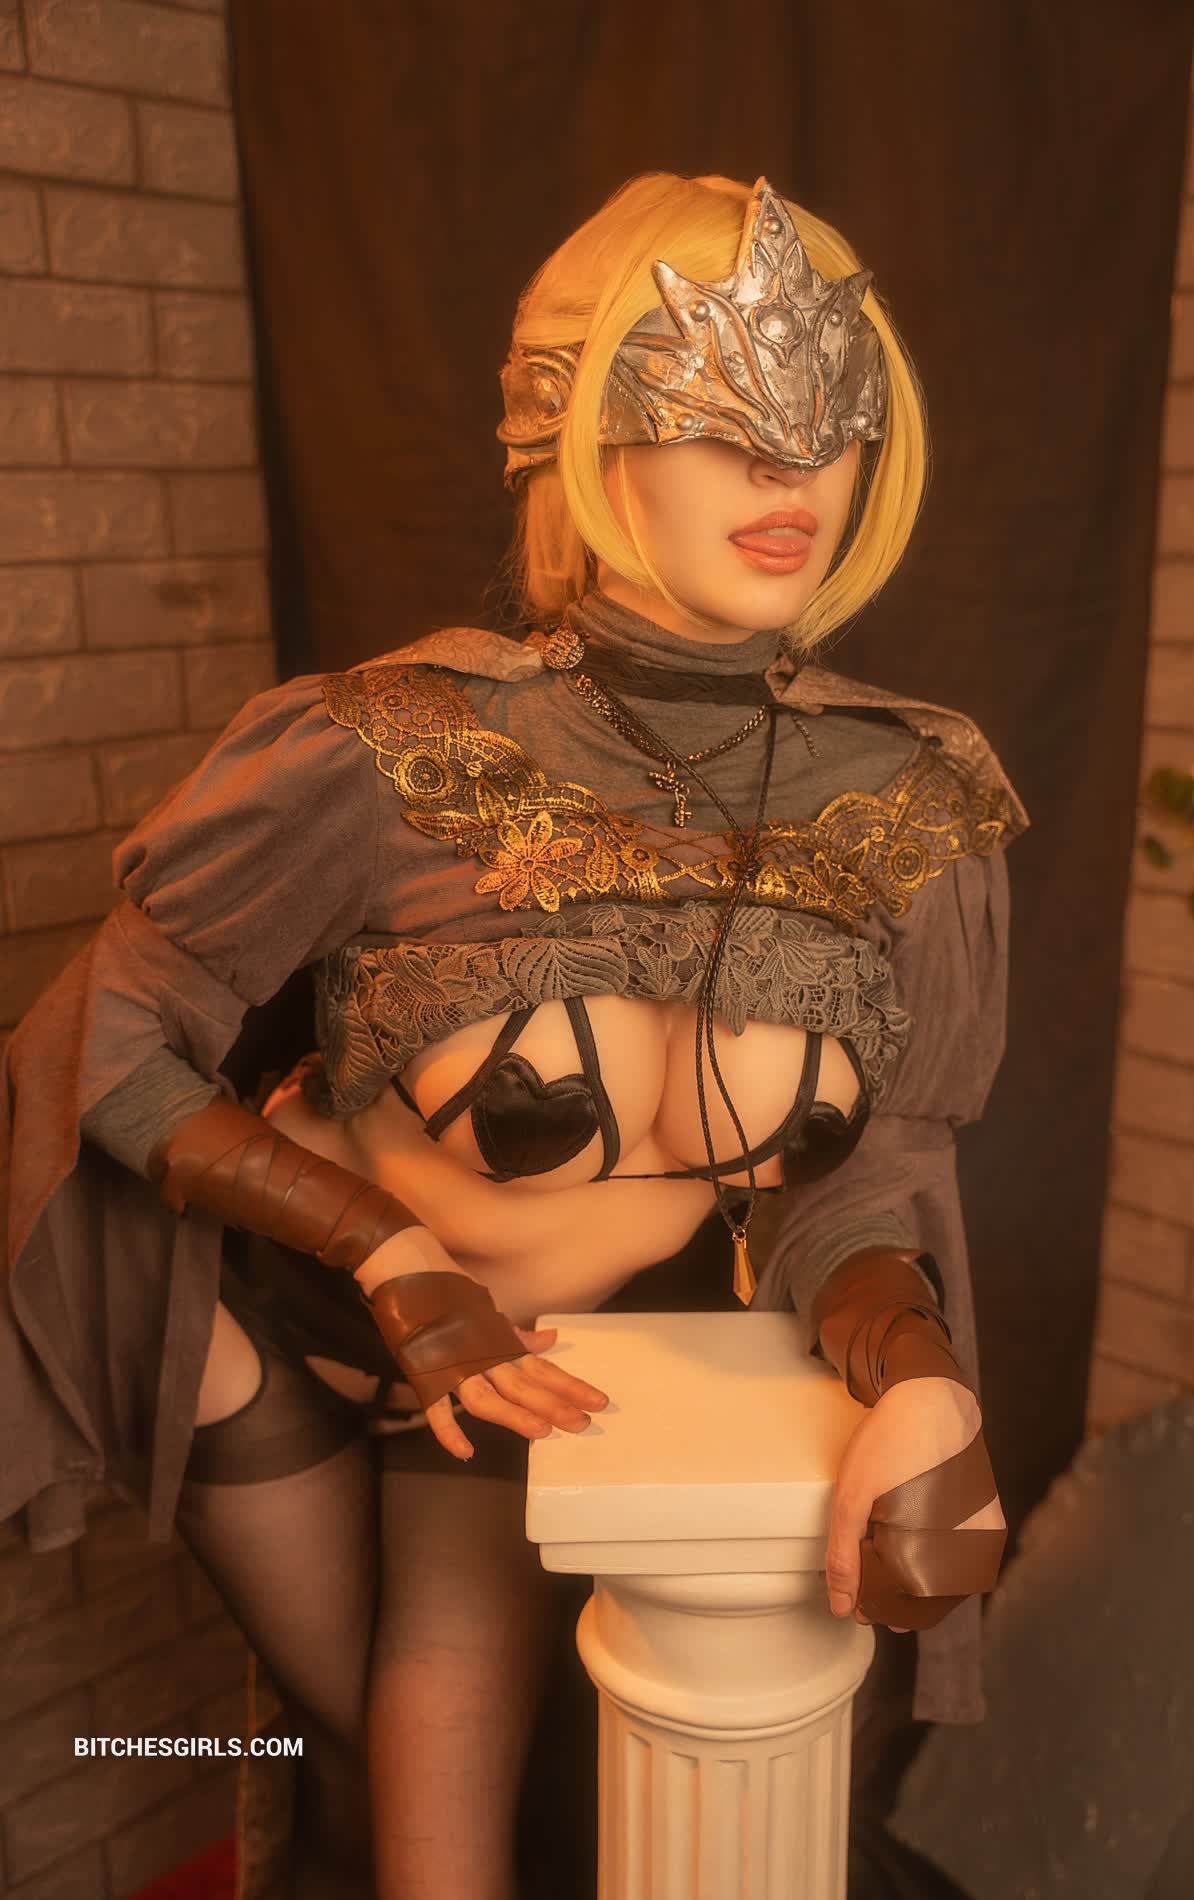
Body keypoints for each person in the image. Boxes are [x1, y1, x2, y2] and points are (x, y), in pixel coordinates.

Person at [0, 173, 1024, 1899]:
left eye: (833, 412)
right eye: (721, 411)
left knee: (428, 1771)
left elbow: (872, 1174)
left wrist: (918, 1370)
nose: (794, 470)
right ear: (582, 429)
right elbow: (99, 1038)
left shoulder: (912, 800)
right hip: (289, 1311)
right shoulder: (392, 744)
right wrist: (389, 1252)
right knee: (366, 1778)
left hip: (523, 1370)